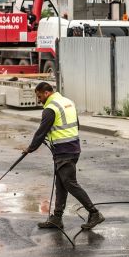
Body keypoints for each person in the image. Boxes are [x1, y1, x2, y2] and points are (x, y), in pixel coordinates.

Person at [22, 82, 104, 230]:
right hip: (73, 148)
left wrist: (30, 148)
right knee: (60, 183)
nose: (39, 100)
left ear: (46, 93)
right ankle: (57, 218)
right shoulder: (68, 102)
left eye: (39, 96)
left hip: (64, 151)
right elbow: (76, 125)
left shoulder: (50, 108)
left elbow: (41, 132)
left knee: (69, 183)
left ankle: (94, 213)